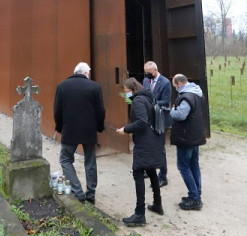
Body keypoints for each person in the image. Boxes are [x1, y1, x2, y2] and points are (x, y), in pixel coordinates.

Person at [53, 62, 106, 205]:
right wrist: (99, 127)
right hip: (89, 130)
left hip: (70, 129)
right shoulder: (95, 87)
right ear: (86, 73)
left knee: (65, 159)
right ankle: (90, 193)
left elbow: (57, 110)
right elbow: (101, 111)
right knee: (90, 160)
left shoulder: (62, 86)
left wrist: (59, 127)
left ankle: (77, 191)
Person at [116, 77, 164, 227]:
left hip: (144, 142)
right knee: (150, 171)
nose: (126, 94)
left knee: (138, 173)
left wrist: (126, 129)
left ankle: (139, 214)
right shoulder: (148, 98)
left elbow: (142, 121)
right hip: (152, 140)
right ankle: (157, 204)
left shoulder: (137, 101)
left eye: (126, 91)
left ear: (133, 89)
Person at [170, 74, 207, 211]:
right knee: (193, 165)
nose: (174, 88)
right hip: (195, 135)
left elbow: (180, 115)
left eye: (174, 85)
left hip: (186, 138)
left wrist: (173, 110)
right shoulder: (196, 92)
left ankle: (195, 199)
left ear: (179, 83)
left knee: (184, 167)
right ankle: (196, 194)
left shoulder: (186, 96)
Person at [143, 60, 170, 187]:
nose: (146, 75)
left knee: (159, 148)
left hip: (159, 119)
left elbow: (165, 101)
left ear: (155, 70)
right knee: (148, 145)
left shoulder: (165, 82)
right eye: (145, 72)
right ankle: (149, 170)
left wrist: (152, 104)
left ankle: (163, 176)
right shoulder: (146, 81)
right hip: (148, 118)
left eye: (148, 72)